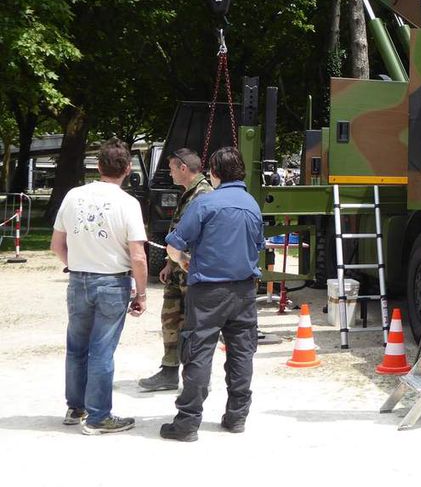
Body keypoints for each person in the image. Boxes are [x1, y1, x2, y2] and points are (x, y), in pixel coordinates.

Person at [160, 147, 263, 441]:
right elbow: (257, 246)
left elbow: (174, 245)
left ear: (214, 172)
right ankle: (236, 417)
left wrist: (182, 261)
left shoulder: (205, 204)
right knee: (242, 353)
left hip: (207, 293)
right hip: (244, 292)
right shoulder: (252, 205)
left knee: (198, 353)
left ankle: (187, 423)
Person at [50, 139, 148, 435]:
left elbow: (56, 245)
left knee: (76, 347)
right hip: (112, 281)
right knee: (102, 350)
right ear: (128, 169)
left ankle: (75, 406)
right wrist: (141, 293)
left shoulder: (73, 196)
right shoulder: (128, 204)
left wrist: (76, 263)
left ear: (98, 165)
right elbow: (138, 255)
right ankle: (98, 416)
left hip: (78, 279)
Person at [137, 148, 213, 392]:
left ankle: (198, 377)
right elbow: (180, 232)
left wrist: (182, 261)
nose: (169, 174)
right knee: (171, 319)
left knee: (194, 325)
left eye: (171, 169)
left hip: (193, 271)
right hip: (180, 269)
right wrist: (170, 263)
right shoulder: (188, 193)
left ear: (183, 168)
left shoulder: (204, 194)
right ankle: (169, 371)